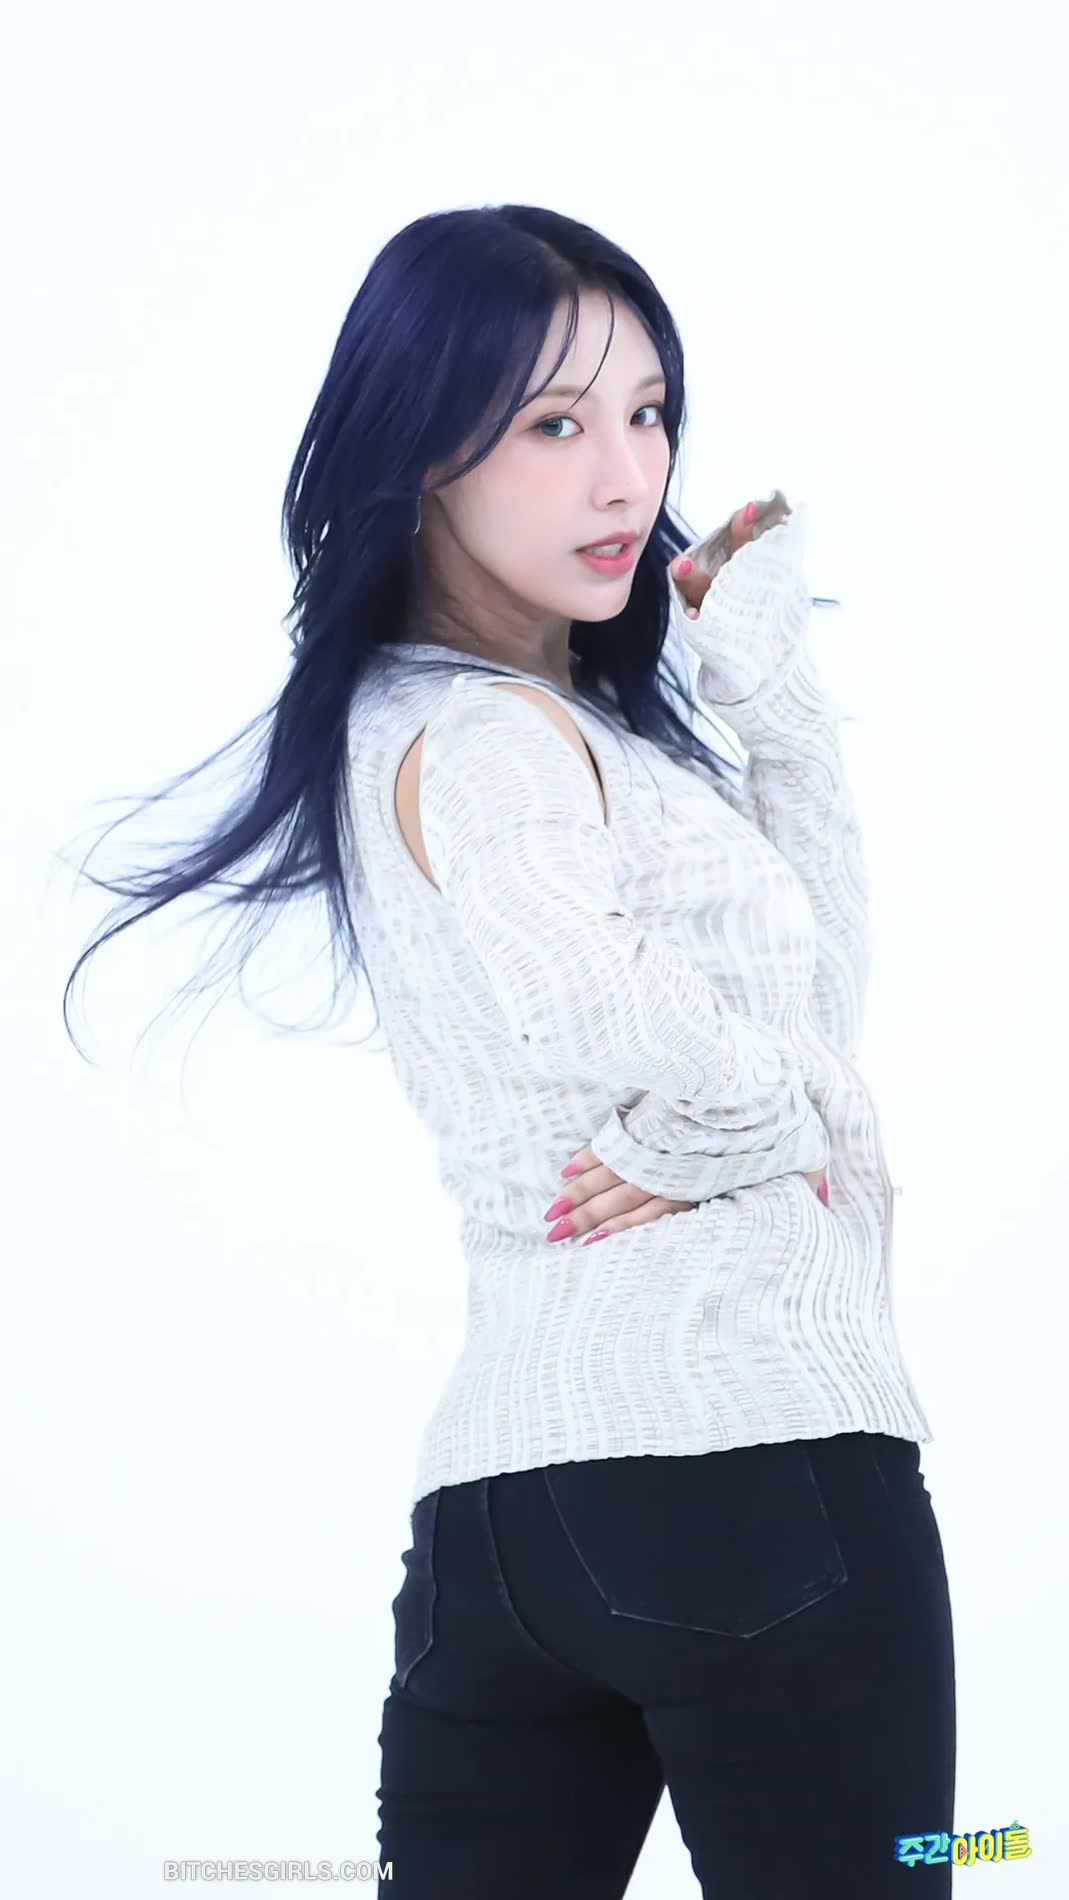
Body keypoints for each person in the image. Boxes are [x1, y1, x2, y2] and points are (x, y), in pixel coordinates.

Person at [61, 204, 955, 1897]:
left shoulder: (493, 726)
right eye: (554, 424)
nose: (626, 474)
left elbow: (796, 1015)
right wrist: (738, 1124)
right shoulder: (481, 740)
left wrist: (767, 710)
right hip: (755, 1478)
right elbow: (655, 1029)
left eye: (648, 411)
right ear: (421, 449)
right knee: (902, 1869)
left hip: (504, 1532)